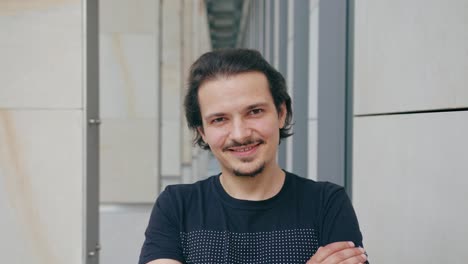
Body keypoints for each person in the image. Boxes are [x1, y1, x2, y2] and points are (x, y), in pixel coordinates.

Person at [139, 49, 368, 264]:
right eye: (219, 119)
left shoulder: (326, 203)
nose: (240, 134)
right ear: (203, 132)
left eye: (254, 112)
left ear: (281, 114)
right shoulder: (177, 206)